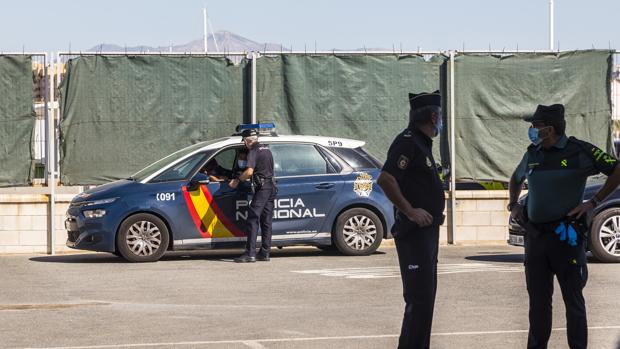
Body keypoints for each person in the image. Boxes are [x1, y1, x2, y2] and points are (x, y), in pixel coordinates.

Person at [509, 104, 620, 349]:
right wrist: (513, 205)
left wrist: (593, 202)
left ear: (549, 129)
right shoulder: (533, 153)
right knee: (538, 304)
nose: (532, 131)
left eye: (536, 126)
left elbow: (616, 169)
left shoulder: (578, 150)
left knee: (573, 302)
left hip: (566, 239)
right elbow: (515, 178)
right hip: (536, 239)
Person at [377, 91, 445, 349]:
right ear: (433, 115)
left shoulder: (421, 144)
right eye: (439, 116)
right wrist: (410, 211)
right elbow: (386, 178)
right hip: (415, 234)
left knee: (425, 300)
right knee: (419, 300)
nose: (440, 121)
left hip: (427, 234)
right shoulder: (408, 142)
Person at [229, 129, 277, 263]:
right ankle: (265, 253)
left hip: (262, 189)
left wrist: (237, 180)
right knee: (266, 221)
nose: (244, 144)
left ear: (247, 140)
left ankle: (250, 253)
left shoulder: (253, 150)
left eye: (244, 141)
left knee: (252, 218)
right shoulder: (266, 149)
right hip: (271, 186)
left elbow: (249, 171)